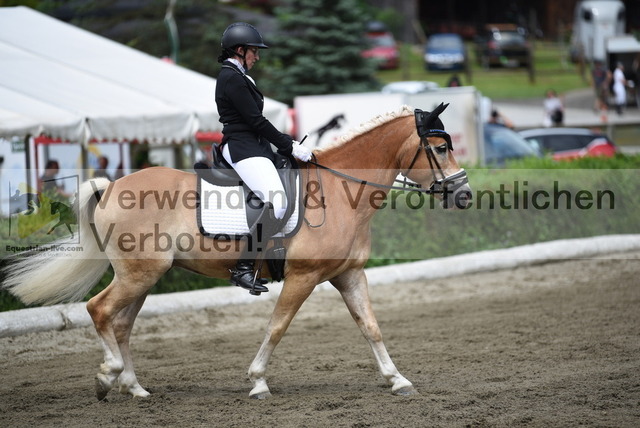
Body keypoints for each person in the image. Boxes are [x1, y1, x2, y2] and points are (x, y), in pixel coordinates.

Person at [215, 22, 311, 295]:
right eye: (254, 51)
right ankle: (243, 267)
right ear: (240, 50)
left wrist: (282, 149)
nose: (257, 56)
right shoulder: (231, 77)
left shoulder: (239, 75)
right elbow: (255, 120)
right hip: (243, 148)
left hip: (254, 146)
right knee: (278, 202)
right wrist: (288, 145)